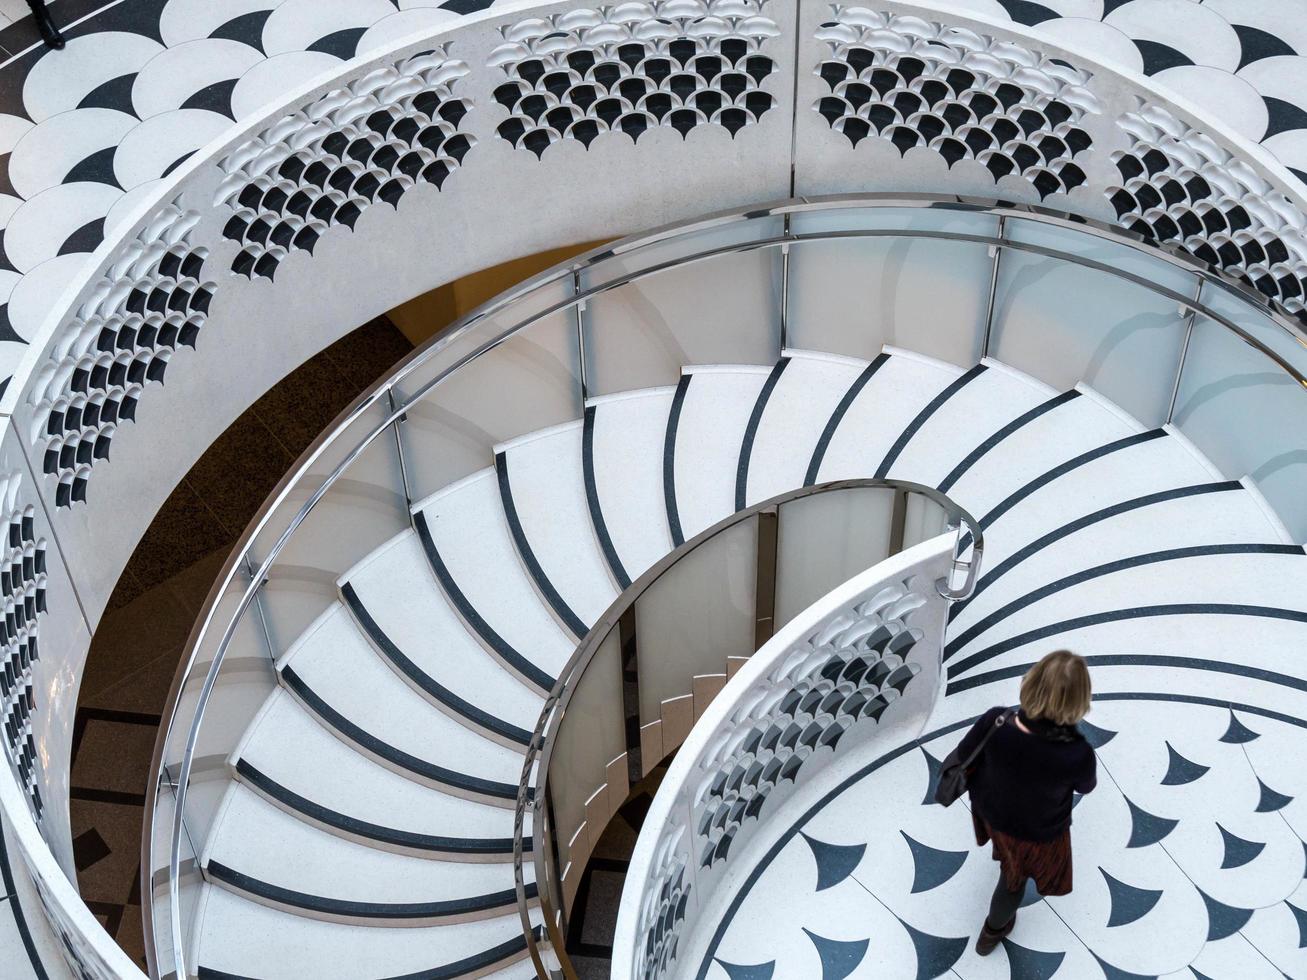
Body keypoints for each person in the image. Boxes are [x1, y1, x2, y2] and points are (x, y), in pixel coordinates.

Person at [955, 649, 1097, 955]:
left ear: (1031, 683)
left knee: (1008, 860)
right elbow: (1087, 785)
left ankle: (996, 919)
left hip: (991, 811)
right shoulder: (1077, 753)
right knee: (1012, 881)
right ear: (1079, 702)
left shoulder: (997, 720)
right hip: (1036, 831)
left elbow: (965, 752)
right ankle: (993, 930)